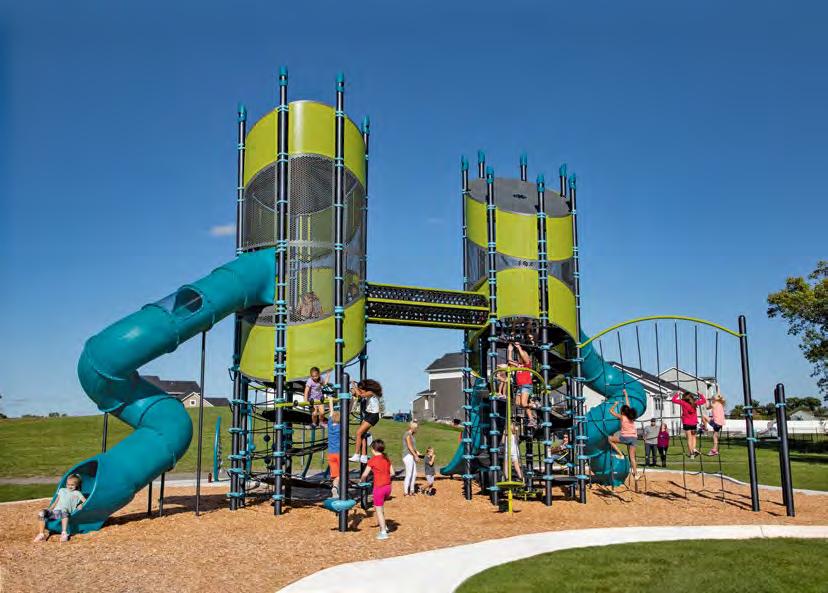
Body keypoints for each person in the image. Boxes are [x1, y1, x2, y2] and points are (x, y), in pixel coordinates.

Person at [34, 474, 86, 542]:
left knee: (64, 511)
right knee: (41, 513)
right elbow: (55, 502)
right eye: (68, 484)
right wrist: (50, 509)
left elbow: (85, 501)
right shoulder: (62, 490)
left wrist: (80, 505)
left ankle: (64, 533)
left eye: (72, 485)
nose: (69, 486)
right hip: (56, 513)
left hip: (66, 514)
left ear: (77, 485)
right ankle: (41, 534)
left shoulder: (77, 493)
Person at [360, 439, 394, 540]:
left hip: (379, 488)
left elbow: (364, 474)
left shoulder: (373, 460)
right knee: (380, 507)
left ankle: (383, 532)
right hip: (388, 487)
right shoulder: (386, 459)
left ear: (373, 449)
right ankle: (384, 526)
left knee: (378, 510)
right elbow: (393, 473)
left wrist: (361, 481)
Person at [349, 379, 383, 463]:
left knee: (358, 433)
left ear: (365, 388)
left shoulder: (371, 392)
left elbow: (360, 395)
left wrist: (354, 385)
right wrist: (352, 390)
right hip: (368, 414)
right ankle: (363, 456)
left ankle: (356, 455)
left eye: (361, 389)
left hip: (373, 416)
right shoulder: (367, 393)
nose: (360, 390)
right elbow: (358, 395)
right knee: (362, 435)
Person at [608, 389, 640, 479]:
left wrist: (615, 404)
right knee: (632, 457)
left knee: (610, 438)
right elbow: (627, 403)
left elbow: (611, 411)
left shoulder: (622, 417)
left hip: (625, 437)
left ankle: (620, 454)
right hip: (634, 438)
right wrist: (625, 394)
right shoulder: (631, 416)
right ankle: (636, 474)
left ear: (622, 412)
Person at [671, 390, 707, 457]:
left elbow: (673, 400)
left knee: (689, 438)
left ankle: (691, 453)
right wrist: (700, 394)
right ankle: (694, 449)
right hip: (694, 423)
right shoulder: (695, 403)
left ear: (684, 397)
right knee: (694, 437)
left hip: (686, 423)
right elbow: (704, 401)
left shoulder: (682, 402)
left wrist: (677, 394)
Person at [509, 342, 537, 428]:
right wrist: (510, 350)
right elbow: (509, 361)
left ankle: (534, 403)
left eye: (520, 356)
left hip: (526, 385)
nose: (519, 357)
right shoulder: (518, 365)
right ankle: (532, 419)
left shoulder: (527, 364)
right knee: (518, 403)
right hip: (520, 387)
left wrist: (519, 347)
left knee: (524, 404)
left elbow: (524, 357)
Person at [326, 399, 343, 498]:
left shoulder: (330, 425)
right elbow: (347, 413)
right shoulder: (341, 426)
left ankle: (335, 488)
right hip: (339, 453)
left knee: (335, 475)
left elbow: (331, 412)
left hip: (331, 454)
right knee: (342, 473)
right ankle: (339, 489)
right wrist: (352, 402)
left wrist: (330, 401)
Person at [402, 422, 421, 495]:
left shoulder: (412, 435)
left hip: (411, 455)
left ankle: (411, 490)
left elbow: (413, 447)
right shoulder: (407, 434)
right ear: (413, 428)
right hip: (407, 455)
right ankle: (406, 492)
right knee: (409, 474)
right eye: (416, 428)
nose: (417, 430)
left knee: (414, 473)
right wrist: (415, 455)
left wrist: (417, 452)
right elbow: (409, 446)